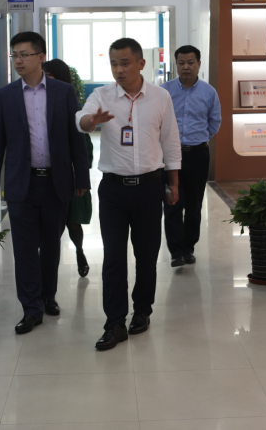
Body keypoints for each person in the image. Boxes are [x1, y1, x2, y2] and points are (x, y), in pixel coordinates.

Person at [76, 37, 181, 351]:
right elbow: (82, 119)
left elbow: (170, 142)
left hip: (149, 187)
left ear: (140, 63)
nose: (119, 70)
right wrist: (91, 121)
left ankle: (143, 311)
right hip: (113, 191)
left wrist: (174, 184)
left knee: (146, 255)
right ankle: (115, 322)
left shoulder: (160, 97)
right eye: (113, 64)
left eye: (124, 63)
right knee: (113, 257)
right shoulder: (101, 95)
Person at [0, 32, 90, 335]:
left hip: (56, 182)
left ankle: (48, 295)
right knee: (25, 248)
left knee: (52, 244)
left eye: (24, 55)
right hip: (22, 183)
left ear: (40, 57)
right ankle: (31, 308)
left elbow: (76, 138)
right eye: (14, 55)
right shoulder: (5, 95)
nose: (18, 61)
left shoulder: (63, 92)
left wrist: (81, 178)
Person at [161, 45, 221, 267]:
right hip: (169, 155)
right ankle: (176, 252)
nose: (186, 67)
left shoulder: (209, 92)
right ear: (176, 64)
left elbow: (214, 122)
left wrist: (199, 137)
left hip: (197, 155)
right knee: (172, 203)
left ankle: (189, 248)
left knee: (194, 206)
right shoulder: (164, 91)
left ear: (199, 64)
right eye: (181, 63)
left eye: (190, 62)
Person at [43, 58, 93, 277]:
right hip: (47, 178)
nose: (45, 80)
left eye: (49, 76)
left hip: (70, 177)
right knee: (51, 226)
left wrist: (77, 172)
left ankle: (79, 252)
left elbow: (84, 147)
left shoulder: (71, 105)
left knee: (73, 222)